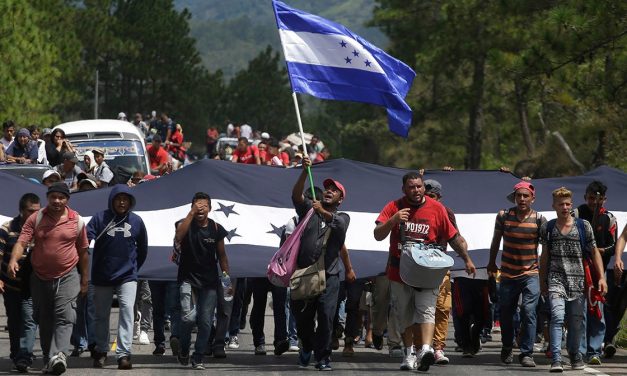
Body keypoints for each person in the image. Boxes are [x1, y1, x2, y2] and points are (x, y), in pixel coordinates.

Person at [374, 172, 476, 372]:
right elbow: (378, 235)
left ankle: (426, 350)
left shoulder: (437, 208)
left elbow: (453, 237)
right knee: (404, 315)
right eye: (411, 187)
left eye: (419, 186)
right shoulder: (393, 207)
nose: (416, 190)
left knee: (427, 311)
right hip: (399, 272)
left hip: (428, 271)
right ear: (404, 189)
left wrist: (466, 259)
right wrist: (393, 220)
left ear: (423, 187)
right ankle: (409, 353)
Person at [8, 183, 89, 375]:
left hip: (68, 275)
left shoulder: (76, 221)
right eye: (53, 197)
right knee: (44, 320)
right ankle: (48, 358)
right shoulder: (36, 218)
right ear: (48, 198)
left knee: (66, 317)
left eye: (61, 197)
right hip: (40, 277)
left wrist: (85, 278)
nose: (57, 201)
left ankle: (59, 355)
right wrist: (13, 260)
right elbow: (22, 242)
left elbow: (83, 252)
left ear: (67, 200)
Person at [539, 186, 608, 372]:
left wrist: (602, 278)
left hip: (578, 281)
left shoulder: (583, 226)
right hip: (556, 279)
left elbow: (594, 252)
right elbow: (544, 257)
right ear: (554, 205)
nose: (565, 207)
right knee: (557, 316)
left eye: (568, 204)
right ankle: (556, 357)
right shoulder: (548, 227)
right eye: (561, 204)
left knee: (577, 320)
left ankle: (574, 353)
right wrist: (542, 281)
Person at [291, 157, 351, 371]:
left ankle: (323, 357)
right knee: (303, 319)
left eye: (334, 190)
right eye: (327, 188)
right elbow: (296, 196)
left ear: (340, 199)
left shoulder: (343, 216)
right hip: (305, 274)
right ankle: (307, 346)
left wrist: (322, 211)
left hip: (330, 275)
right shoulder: (309, 208)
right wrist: (303, 171)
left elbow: (339, 226)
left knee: (326, 317)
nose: (329, 191)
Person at [87, 185, 148, 370]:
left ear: (130, 202)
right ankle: (101, 350)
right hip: (101, 276)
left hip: (127, 275)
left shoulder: (137, 221)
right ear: (112, 200)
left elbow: (143, 249)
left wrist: (133, 267)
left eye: (126, 199)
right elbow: (84, 239)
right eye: (118, 198)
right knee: (101, 315)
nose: (122, 202)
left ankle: (123, 354)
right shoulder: (99, 218)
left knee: (128, 312)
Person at [487, 181, 546, 367]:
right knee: (506, 313)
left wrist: (543, 274)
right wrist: (491, 263)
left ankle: (526, 353)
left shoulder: (539, 220)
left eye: (525, 196)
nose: (521, 199)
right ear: (514, 197)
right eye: (518, 195)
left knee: (529, 311)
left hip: (531, 273)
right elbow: (496, 240)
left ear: (532, 199)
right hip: (508, 274)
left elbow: (545, 250)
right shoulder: (504, 216)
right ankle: (506, 346)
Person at [175, 192, 230, 370]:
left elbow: (222, 256)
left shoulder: (216, 228)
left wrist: (226, 279)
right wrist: (191, 214)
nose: (200, 209)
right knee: (188, 318)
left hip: (209, 282)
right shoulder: (184, 224)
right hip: (187, 279)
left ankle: (197, 357)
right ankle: (184, 349)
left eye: (204, 206)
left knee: (206, 322)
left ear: (210, 208)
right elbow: (178, 237)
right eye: (197, 206)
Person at [574, 181, 617, 364]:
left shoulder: (609, 218)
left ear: (604, 200)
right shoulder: (575, 214)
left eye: (598, 199)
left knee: (597, 310)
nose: (594, 202)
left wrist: (599, 252)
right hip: (579, 270)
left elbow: (614, 245)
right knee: (580, 311)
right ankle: (581, 350)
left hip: (599, 272)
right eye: (591, 198)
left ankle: (594, 351)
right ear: (585, 197)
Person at [0, 193, 40, 372]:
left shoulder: (42, 229)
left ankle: (24, 356)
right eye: (31, 211)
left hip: (31, 287)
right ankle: (16, 354)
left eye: (37, 211)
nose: (34, 215)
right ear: (21, 210)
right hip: (10, 286)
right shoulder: (7, 229)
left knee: (29, 321)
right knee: (14, 321)